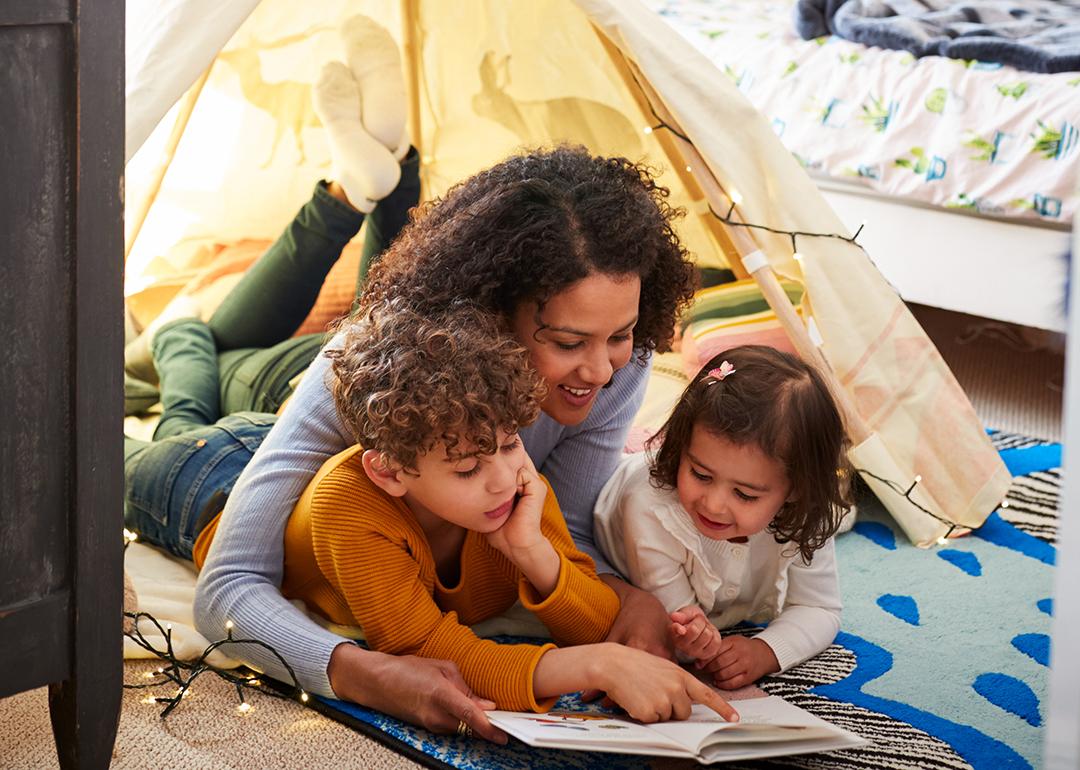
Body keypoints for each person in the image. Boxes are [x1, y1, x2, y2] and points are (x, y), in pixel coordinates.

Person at [185, 16, 698, 737]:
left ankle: (382, 177)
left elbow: (559, 538)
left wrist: (622, 600)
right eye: (568, 341)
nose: (603, 369)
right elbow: (227, 591)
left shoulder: (619, 362)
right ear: (492, 313)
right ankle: (321, 217)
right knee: (205, 365)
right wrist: (362, 672)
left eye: (620, 336)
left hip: (387, 452)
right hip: (237, 442)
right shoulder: (367, 368)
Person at [184, 304, 736, 722]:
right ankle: (181, 335)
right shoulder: (351, 505)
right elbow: (423, 649)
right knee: (159, 432)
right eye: (468, 469)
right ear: (390, 471)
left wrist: (533, 552)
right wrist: (593, 667)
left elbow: (597, 622)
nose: (503, 477)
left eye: (510, 443)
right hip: (209, 482)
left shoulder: (518, 489)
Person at [594, 345, 852, 690]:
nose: (714, 505)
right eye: (700, 474)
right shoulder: (649, 509)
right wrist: (693, 636)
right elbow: (676, 632)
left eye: (744, 494)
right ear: (681, 448)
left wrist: (766, 650)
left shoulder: (808, 512)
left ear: (796, 489)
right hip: (617, 490)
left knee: (838, 513)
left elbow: (821, 608)